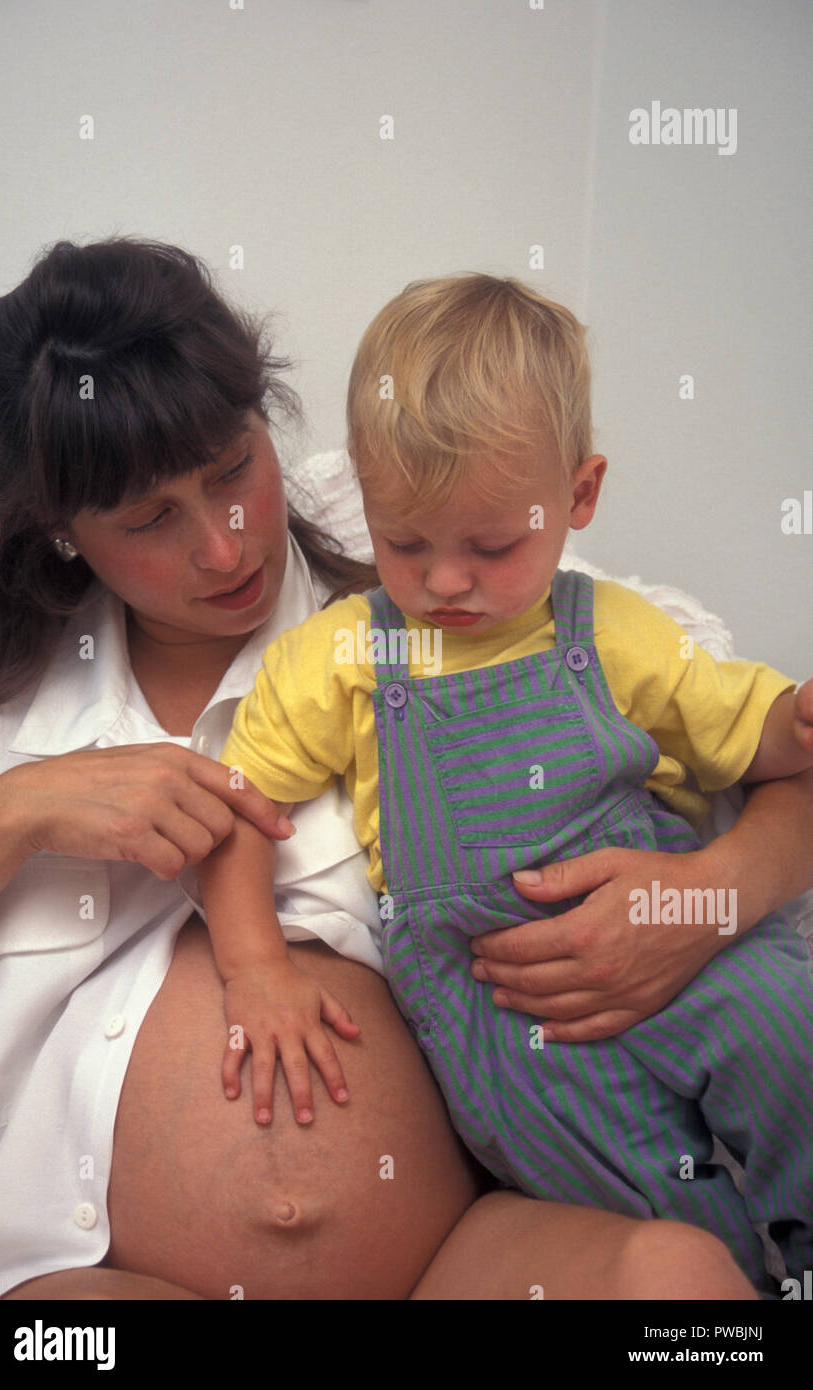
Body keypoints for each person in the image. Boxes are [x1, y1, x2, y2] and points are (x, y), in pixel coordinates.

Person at [0, 240, 808, 1302]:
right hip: (93, 1274)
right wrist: (7, 816)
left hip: (446, 1264)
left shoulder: (461, 586)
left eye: (233, 471)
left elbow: (775, 753)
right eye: (149, 521)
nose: (225, 549)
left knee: (678, 1289)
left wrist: (707, 899)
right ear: (63, 535)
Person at [198, 273, 813, 1298]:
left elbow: (744, 731)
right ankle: (746, 1283)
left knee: (787, 1021)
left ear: (578, 496)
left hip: (672, 919)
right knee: (622, 1174)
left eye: (492, 546)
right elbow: (238, 808)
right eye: (405, 544)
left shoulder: (612, 629)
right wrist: (253, 959)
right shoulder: (344, 654)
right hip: (498, 1002)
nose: (445, 583)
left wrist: (794, 724)